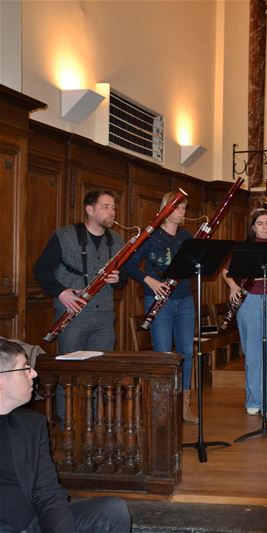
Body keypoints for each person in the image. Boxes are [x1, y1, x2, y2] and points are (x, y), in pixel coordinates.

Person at [0, 338, 131, 532]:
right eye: (25, 368)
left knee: (112, 511)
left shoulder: (32, 425)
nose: (34, 373)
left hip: (30, 524)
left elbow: (48, 494)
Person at [123, 192, 196, 424]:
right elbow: (129, 265)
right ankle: (162, 405)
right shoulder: (150, 235)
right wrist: (150, 281)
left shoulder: (186, 237)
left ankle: (183, 404)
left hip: (184, 299)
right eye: (178, 208)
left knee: (186, 352)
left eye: (183, 208)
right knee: (163, 353)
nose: (182, 212)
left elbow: (193, 265)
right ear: (166, 209)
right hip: (158, 300)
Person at [33, 189, 126, 354]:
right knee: (71, 366)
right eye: (105, 207)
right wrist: (61, 292)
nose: (112, 212)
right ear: (90, 210)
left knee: (102, 366)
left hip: (105, 317)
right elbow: (41, 269)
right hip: (72, 315)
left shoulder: (117, 240)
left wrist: (117, 279)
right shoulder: (65, 235)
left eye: (113, 208)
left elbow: (123, 279)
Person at [223, 209, 267, 419]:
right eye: (260, 223)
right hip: (248, 302)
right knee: (252, 355)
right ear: (253, 227)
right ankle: (253, 399)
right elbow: (226, 271)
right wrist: (233, 286)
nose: (265, 227)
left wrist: (266, 276)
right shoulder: (244, 248)